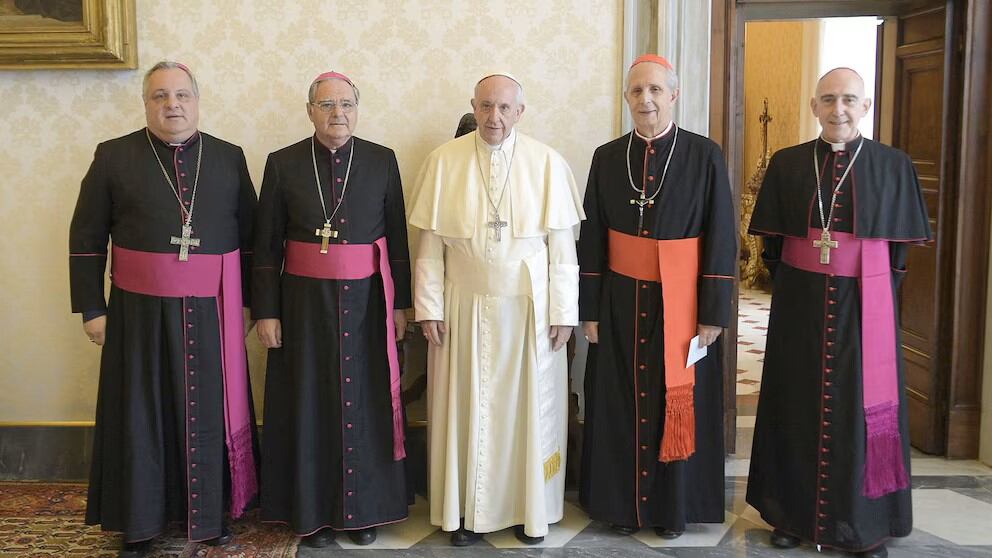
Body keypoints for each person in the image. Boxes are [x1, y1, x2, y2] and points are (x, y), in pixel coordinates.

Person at [69, 61, 258, 558]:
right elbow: (86, 238)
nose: (171, 105)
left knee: (207, 412)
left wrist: (250, 306)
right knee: (140, 414)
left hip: (211, 311)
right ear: (146, 103)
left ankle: (210, 515)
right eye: (159, 96)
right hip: (136, 312)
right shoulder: (114, 157)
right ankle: (140, 523)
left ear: (197, 100)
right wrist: (92, 306)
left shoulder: (228, 157)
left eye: (181, 95)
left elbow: (254, 240)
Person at [746, 67, 931, 558]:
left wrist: (865, 287)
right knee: (794, 403)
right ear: (814, 107)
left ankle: (863, 523)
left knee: (861, 410)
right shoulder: (787, 165)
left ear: (865, 106)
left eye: (849, 99)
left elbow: (898, 258)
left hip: (863, 306)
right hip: (800, 306)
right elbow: (772, 248)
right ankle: (788, 516)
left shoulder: (893, 166)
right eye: (828, 99)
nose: (838, 108)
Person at [409, 72, 584, 546]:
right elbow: (429, 247)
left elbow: (563, 251)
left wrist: (564, 313)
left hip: (529, 313)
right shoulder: (443, 162)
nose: (494, 117)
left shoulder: (547, 163)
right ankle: (463, 512)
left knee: (526, 413)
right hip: (461, 308)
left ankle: (529, 512)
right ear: (473, 105)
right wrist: (428, 307)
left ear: (520, 112)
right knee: (463, 409)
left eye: (505, 108)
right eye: (486, 106)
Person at [577, 54, 735, 538]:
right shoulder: (607, 156)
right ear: (626, 98)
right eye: (635, 92)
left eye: (654, 91)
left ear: (674, 94)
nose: (645, 100)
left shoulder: (704, 154)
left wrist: (712, 313)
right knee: (619, 399)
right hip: (619, 300)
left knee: (674, 398)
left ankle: (673, 509)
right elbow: (592, 237)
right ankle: (618, 507)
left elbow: (721, 235)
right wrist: (590, 308)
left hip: (683, 302)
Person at [252, 71, 411, 548]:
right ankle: (311, 513)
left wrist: (401, 304)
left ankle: (362, 512)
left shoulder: (382, 161)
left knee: (364, 403)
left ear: (357, 111)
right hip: (301, 306)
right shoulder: (282, 164)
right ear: (310, 111)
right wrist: (266, 312)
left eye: (345, 104)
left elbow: (398, 241)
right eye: (326, 105)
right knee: (308, 404)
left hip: (367, 306)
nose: (337, 113)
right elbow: (265, 246)